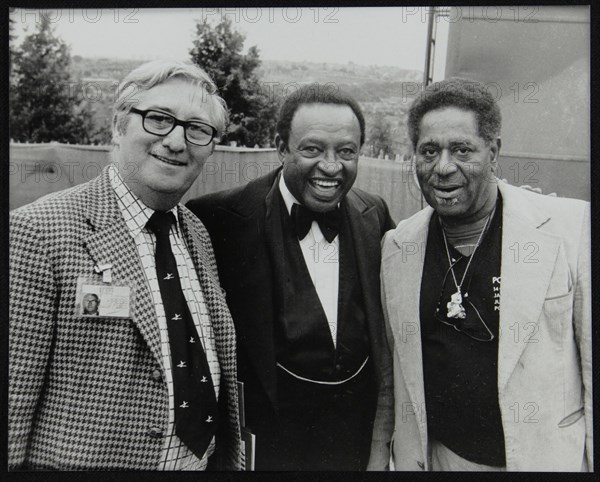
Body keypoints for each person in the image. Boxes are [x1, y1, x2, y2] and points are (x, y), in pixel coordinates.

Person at [9, 59, 242, 471]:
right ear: (119, 126)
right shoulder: (38, 232)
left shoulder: (197, 234)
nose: (176, 141)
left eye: (197, 129)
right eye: (158, 119)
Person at [372, 78, 592, 471]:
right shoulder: (397, 246)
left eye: (462, 149)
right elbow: (394, 378)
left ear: (494, 152)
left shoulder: (570, 228)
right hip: (438, 459)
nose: (443, 167)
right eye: (429, 151)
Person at [187, 84, 395, 470]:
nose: (331, 166)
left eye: (346, 151)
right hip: (265, 444)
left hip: (351, 441)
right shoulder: (217, 219)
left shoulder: (374, 213)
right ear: (282, 147)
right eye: (312, 149)